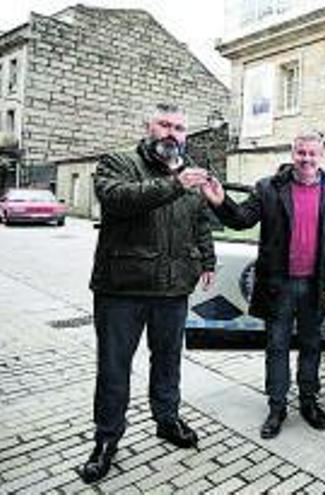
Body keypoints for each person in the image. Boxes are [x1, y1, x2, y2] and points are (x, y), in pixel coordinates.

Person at [79, 103, 216, 483]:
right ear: (148, 128)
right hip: (122, 288)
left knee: (168, 361)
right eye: (165, 124)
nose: (173, 133)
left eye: (180, 127)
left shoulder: (190, 173)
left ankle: (167, 420)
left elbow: (200, 220)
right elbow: (118, 199)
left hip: (173, 289)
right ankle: (106, 439)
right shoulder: (117, 162)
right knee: (114, 368)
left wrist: (207, 259)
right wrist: (176, 184)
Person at [201, 132, 325, 438]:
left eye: (312, 153)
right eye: (301, 153)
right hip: (279, 284)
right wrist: (220, 201)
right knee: (277, 347)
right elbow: (242, 218)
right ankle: (277, 406)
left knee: (311, 346)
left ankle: (309, 402)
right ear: (292, 153)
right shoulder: (269, 187)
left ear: (321, 156)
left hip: (316, 284)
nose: (306, 159)